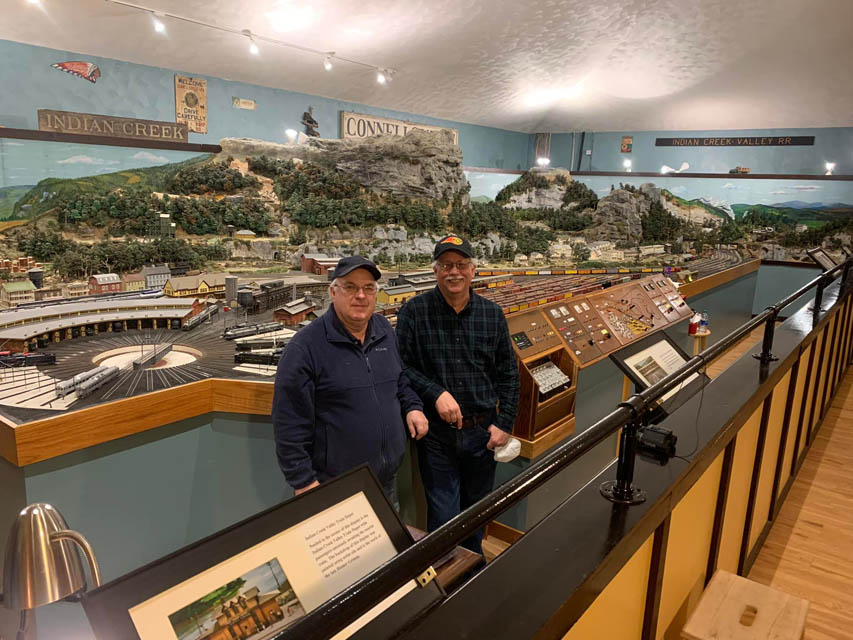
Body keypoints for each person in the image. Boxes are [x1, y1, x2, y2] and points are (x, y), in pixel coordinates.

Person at [396, 234, 520, 552]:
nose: (454, 272)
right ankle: (447, 585)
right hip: (437, 435)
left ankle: (472, 575)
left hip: (482, 431)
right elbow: (400, 366)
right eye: (447, 265)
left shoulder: (492, 315)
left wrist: (504, 422)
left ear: (473, 270)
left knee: (477, 514)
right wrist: (435, 393)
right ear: (435, 271)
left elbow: (508, 374)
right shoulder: (414, 312)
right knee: (443, 518)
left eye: (461, 265)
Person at [273, 255, 428, 505]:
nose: (361, 296)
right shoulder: (305, 347)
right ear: (333, 292)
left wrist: (412, 407)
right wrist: (303, 482)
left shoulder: (384, 329)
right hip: (335, 486)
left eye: (369, 288)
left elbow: (399, 379)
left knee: (388, 544)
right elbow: (289, 422)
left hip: (387, 479)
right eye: (350, 287)